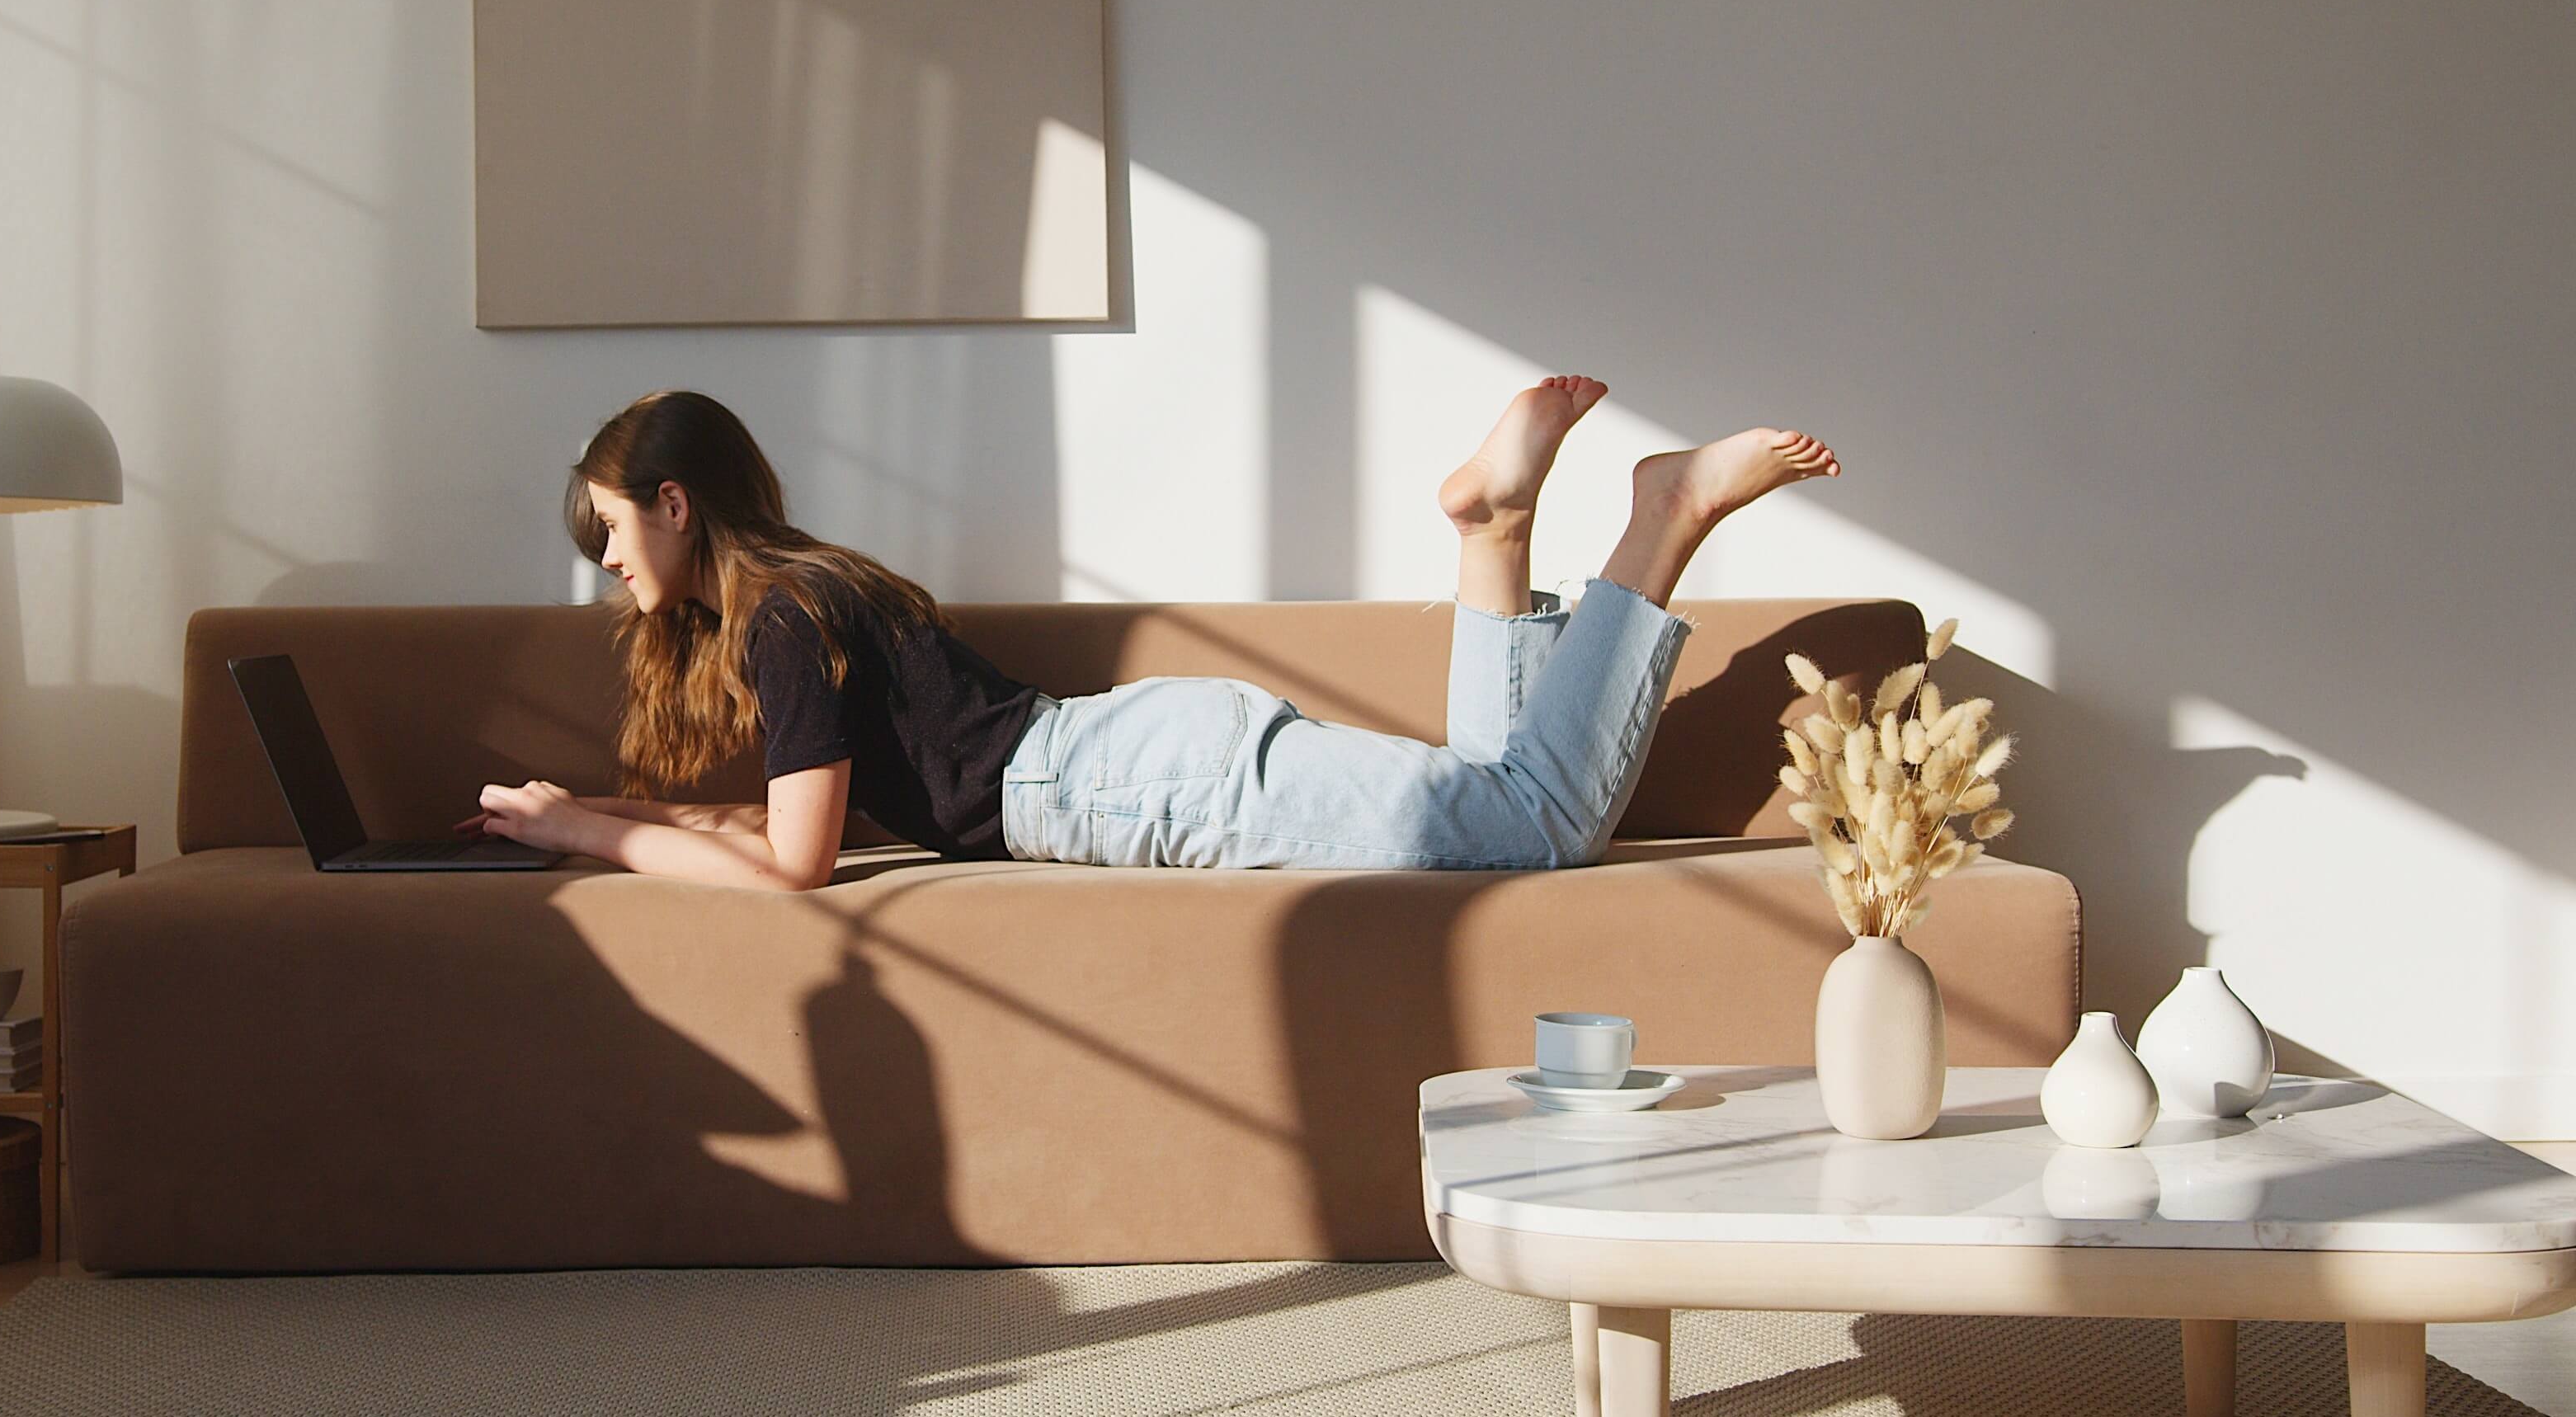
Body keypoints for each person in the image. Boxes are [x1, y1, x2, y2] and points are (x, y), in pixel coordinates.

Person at [458, 383, 1837, 891]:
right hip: (1122, 763)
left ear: (672, 504)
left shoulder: (780, 620)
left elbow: (799, 863)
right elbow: (774, 822)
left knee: (1538, 827)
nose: (609, 569)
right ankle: (1494, 527)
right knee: (1495, 800)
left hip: (1123, 786)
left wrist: (593, 835)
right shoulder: (811, 590)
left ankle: (1662, 520)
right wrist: (593, 805)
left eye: (609, 533)